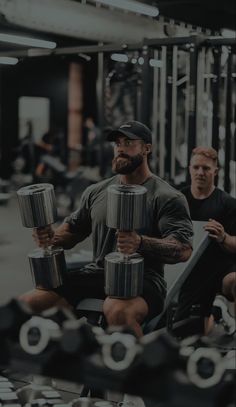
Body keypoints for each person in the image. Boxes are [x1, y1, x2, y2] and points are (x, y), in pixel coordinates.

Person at [20, 121, 193, 337]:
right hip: (98, 273)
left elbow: (183, 249)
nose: (120, 148)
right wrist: (51, 236)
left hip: (144, 281)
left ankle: (131, 367)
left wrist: (140, 242)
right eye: (117, 143)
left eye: (128, 142)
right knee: (28, 303)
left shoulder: (166, 196)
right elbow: (71, 232)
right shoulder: (96, 191)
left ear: (147, 148)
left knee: (117, 310)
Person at [175, 146, 236, 334]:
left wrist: (223, 237)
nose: (200, 172)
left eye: (206, 168)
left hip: (220, 271)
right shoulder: (178, 199)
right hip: (188, 271)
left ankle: (223, 307)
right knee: (184, 333)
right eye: (196, 167)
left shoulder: (227, 203)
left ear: (215, 172)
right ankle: (214, 314)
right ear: (190, 168)